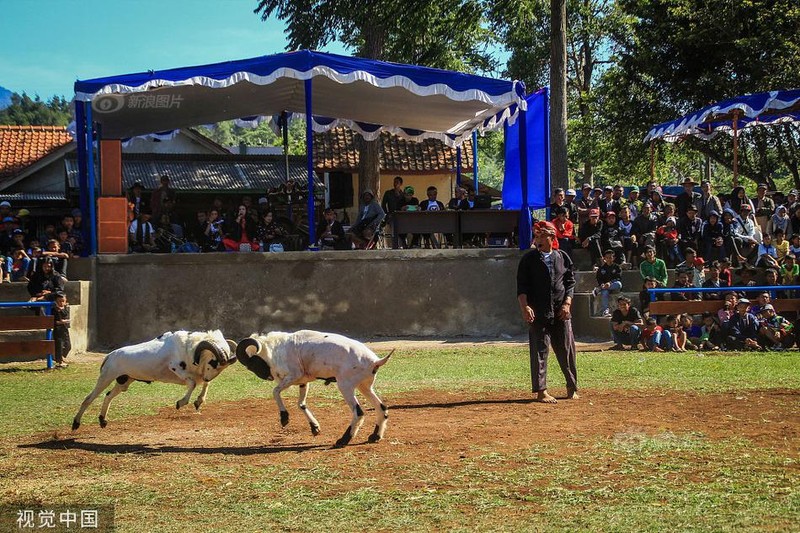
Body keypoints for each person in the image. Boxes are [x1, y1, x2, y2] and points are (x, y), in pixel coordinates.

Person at [516, 220, 578, 404]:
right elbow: (521, 287)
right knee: (539, 351)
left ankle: (572, 386)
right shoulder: (528, 259)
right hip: (538, 312)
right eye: (536, 236)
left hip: (561, 312)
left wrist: (567, 304)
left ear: (552, 237)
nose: (538, 239)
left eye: (542, 236)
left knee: (567, 350)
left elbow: (570, 283)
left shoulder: (563, 257)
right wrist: (525, 307)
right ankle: (541, 391)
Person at [594, 249, 622, 317]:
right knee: (604, 292)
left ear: (614, 258)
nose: (609, 259)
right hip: (605, 287)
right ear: (604, 259)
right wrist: (602, 284)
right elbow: (599, 278)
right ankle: (605, 311)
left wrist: (609, 283)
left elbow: (618, 278)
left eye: (610, 257)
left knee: (619, 284)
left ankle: (599, 289)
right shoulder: (601, 268)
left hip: (614, 285)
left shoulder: (617, 267)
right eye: (607, 258)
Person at [52, 292, 71, 368]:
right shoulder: (54, 309)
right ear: (56, 301)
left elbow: (66, 316)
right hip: (57, 330)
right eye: (59, 301)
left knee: (68, 345)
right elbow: (53, 320)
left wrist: (61, 310)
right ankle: (60, 361)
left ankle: (62, 357)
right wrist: (59, 322)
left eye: (63, 301)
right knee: (59, 346)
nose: (61, 303)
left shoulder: (65, 308)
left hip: (65, 329)